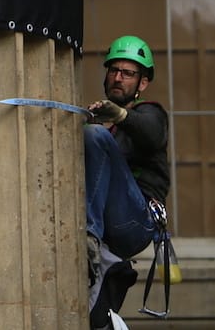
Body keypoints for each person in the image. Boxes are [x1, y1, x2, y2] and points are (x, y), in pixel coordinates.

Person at [84, 35, 169, 286]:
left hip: (137, 221)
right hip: (110, 225)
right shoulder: (101, 128)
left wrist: (121, 115)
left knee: (94, 135)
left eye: (127, 73)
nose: (118, 78)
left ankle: (89, 236)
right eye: (114, 70)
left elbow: (152, 132)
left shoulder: (151, 113)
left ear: (142, 83)